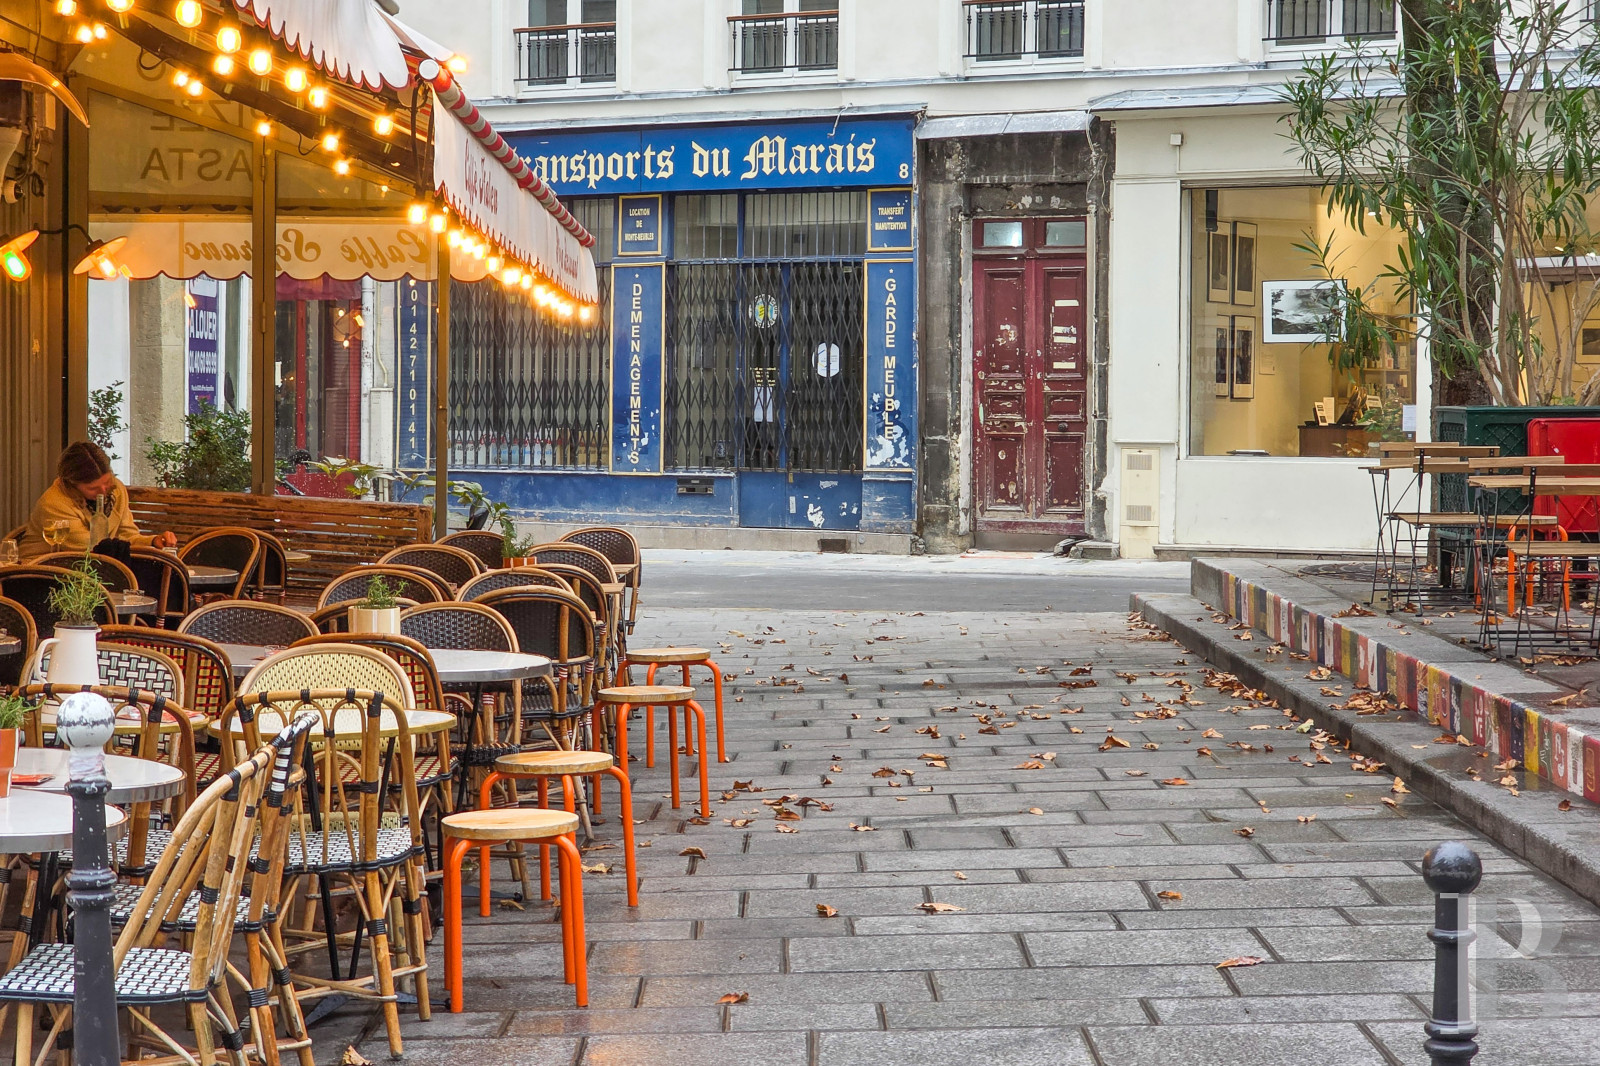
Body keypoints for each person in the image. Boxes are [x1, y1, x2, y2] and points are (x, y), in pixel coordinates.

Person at [17, 442, 178, 561]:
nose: (103, 491)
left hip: (94, 567)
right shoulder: (54, 503)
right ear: (73, 484)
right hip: (45, 570)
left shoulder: (115, 490)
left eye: (107, 482)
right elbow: (89, 547)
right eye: (93, 488)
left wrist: (152, 541)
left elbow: (127, 536)